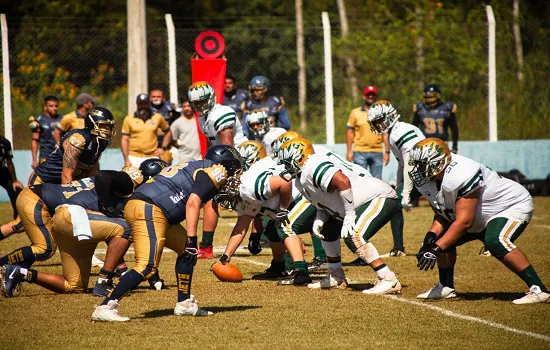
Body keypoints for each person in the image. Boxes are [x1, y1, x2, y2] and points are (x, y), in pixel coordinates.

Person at [90, 145, 243, 321]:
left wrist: (189, 244)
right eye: (235, 171)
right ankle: (106, 306)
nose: (234, 178)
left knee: (185, 251)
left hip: (152, 208)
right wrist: (193, 240)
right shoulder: (216, 170)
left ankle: (184, 303)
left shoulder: (197, 165)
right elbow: (193, 202)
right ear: (225, 164)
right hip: (150, 208)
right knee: (147, 266)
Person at [410, 138, 548, 304]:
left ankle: (539, 290)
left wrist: (436, 249)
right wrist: (431, 236)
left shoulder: (461, 173)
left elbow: (464, 222)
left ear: (438, 162)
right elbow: (444, 212)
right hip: (478, 214)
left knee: (495, 240)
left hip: (509, 206)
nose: (418, 169)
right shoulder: (432, 179)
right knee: (442, 240)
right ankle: (446, 287)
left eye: (422, 164)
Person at [0, 160, 166, 297]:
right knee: (44, 248)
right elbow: (103, 179)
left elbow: (113, 233)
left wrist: (127, 271)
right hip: (51, 205)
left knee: (74, 286)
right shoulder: (127, 186)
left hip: (66, 214)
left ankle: (19, 273)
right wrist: (107, 207)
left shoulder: (118, 189)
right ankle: (103, 282)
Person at [277, 137, 402, 294]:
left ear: (301, 157)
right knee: (327, 231)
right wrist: (319, 219)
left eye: (288, 162)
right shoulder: (300, 179)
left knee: (354, 236)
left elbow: (343, 182)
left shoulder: (313, 165)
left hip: (379, 196)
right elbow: (323, 201)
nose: (287, 167)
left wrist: (349, 215)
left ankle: (388, 279)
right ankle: (337, 276)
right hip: (358, 203)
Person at [0, 107, 115, 271]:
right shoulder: (78, 139)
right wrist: (71, 199)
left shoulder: (100, 143)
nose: (108, 129)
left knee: (21, 224)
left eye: (109, 126)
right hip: (43, 181)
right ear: (93, 124)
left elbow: (91, 168)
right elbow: (66, 174)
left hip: (58, 185)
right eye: (104, 125)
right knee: (23, 225)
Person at [188, 81, 248, 259]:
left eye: (202, 101)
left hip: (240, 160)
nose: (200, 106)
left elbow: (227, 146)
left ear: (211, 98)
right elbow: (211, 142)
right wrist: (208, 164)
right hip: (223, 159)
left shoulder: (222, 113)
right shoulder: (203, 117)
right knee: (210, 198)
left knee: (258, 204)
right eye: (196, 103)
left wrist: (226, 172)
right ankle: (206, 247)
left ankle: (266, 239)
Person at [367, 100, 426, 257]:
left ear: (389, 116)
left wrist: (405, 192)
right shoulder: (394, 132)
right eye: (375, 122)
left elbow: (410, 162)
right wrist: (399, 186)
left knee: (447, 210)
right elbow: (402, 164)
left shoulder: (400, 131)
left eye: (379, 120)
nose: (378, 124)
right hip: (422, 173)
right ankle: (398, 248)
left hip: (426, 173)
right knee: (395, 201)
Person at [346, 85, 390, 179]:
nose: (370, 96)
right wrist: (349, 151)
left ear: (376, 97)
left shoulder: (381, 113)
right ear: (363, 96)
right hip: (359, 151)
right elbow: (350, 133)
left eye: (373, 95)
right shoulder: (355, 112)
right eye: (368, 94)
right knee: (361, 180)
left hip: (377, 152)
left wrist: (387, 152)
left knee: (377, 182)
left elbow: (385, 133)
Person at [121, 93, 172, 168]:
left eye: (145, 104)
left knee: (156, 179)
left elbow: (168, 132)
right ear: (137, 104)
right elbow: (124, 140)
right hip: (134, 157)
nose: (143, 106)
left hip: (153, 156)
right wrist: (126, 159)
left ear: (149, 104)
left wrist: (163, 148)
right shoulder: (129, 119)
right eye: (140, 104)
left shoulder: (158, 117)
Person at [412, 84, 459, 153]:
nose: (429, 98)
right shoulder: (419, 108)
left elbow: (454, 129)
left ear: (438, 95)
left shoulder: (447, 108)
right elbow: (414, 128)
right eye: (427, 96)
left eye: (431, 96)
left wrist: (454, 146)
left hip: (442, 144)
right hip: (424, 144)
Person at [29, 95, 63, 169]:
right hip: (45, 156)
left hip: (61, 156)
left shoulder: (63, 119)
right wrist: (34, 160)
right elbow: (35, 140)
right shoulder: (39, 120)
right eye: (51, 106)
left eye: (56, 106)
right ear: (45, 107)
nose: (54, 108)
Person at [150, 88, 179, 164]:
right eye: (154, 97)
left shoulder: (170, 109)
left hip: (166, 145)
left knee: (165, 168)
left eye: (158, 97)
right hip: (149, 146)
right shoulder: (145, 109)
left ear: (163, 98)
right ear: (150, 98)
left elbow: (177, 125)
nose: (156, 99)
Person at [170, 97, 202, 164]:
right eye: (184, 106)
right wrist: (183, 147)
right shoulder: (176, 123)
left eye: (189, 106)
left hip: (200, 156)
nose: (187, 108)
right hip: (184, 158)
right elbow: (173, 140)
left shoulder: (200, 120)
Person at [0, 136, 24, 222]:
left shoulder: (4, 143)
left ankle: (18, 220)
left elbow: (9, 161)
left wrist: (15, 180)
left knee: (15, 191)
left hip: (2, 171)